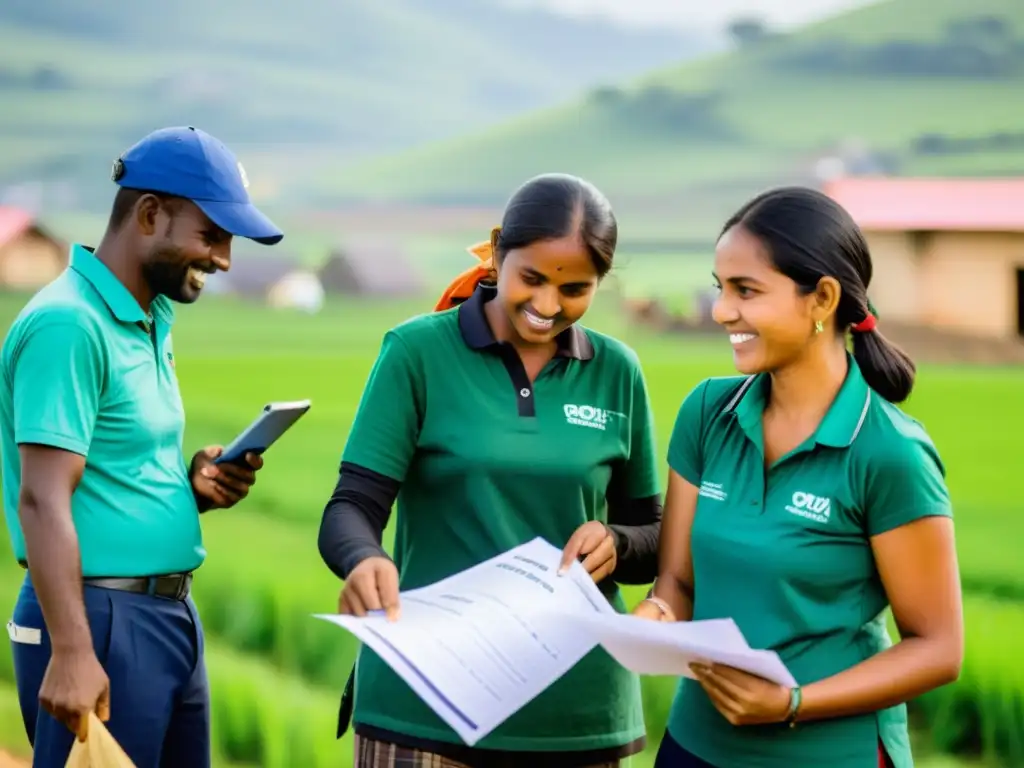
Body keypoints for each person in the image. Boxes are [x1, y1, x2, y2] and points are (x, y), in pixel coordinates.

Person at [318, 173, 663, 768]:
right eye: (531, 279)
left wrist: (617, 542)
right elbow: (351, 506)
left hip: (577, 717)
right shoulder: (418, 353)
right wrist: (365, 558)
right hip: (426, 702)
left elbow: (655, 538)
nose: (547, 306)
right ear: (499, 251)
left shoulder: (617, 372)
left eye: (575, 289)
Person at [634, 186, 964, 768]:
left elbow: (938, 648)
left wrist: (791, 702)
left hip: (829, 753)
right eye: (720, 288)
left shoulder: (889, 453)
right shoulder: (707, 413)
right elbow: (678, 583)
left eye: (746, 291)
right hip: (695, 746)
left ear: (822, 300)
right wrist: (654, 618)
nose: (720, 311)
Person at [0, 126, 284, 768]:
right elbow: (42, 498)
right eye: (211, 236)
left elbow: (116, 466)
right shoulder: (69, 324)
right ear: (151, 214)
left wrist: (193, 488)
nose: (224, 259)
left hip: (165, 617)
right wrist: (73, 652)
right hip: (100, 620)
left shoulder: (147, 319)